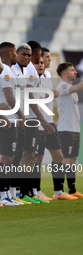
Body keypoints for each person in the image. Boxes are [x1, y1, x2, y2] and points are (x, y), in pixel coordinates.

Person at [18, 41, 55, 204]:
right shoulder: (29, 70)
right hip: (30, 119)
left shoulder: (32, 71)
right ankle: (22, 191)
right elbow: (29, 96)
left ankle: (30, 191)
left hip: (33, 119)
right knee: (26, 156)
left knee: (32, 157)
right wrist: (42, 120)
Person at [0, 42, 25, 206]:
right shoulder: (5, 70)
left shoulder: (8, 70)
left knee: (11, 157)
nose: (16, 56)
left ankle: (9, 195)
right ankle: (3, 196)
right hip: (6, 119)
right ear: (10, 53)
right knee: (6, 157)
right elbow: (10, 97)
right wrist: (21, 115)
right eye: (15, 53)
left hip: (9, 118)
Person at [32, 54, 61, 201]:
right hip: (38, 122)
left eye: (47, 59)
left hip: (48, 121)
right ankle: (35, 190)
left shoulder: (47, 75)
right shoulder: (32, 78)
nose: (47, 61)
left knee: (58, 156)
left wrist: (53, 93)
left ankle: (58, 191)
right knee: (37, 158)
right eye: (43, 59)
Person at [56, 62, 83, 199]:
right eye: (72, 70)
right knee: (65, 160)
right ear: (65, 74)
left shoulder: (70, 89)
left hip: (74, 129)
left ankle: (72, 189)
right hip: (66, 129)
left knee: (72, 159)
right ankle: (59, 191)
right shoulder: (62, 86)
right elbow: (79, 86)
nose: (76, 72)